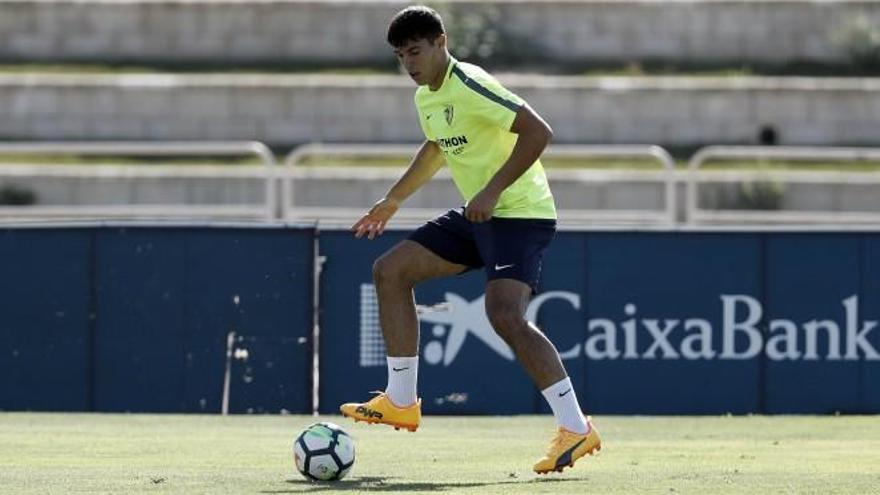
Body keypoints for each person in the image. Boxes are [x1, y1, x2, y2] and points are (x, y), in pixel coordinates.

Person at [339, 5, 600, 474]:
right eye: (400, 56)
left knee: (504, 315)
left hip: (520, 213)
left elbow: (538, 133)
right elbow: (439, 146)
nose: (409, 64)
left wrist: (493, 189)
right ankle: (401, 400)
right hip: (478, 215)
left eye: (415, 51)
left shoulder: (471, 84)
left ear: (441, 42)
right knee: (391, 271)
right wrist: (392, 201)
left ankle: (576, 429)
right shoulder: (427, 98)